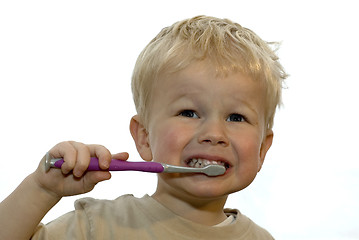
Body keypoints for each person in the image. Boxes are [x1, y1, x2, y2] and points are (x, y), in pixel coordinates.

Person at [0, 15, 287, 239]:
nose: (214, 134)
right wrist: (41, 190)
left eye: (236, 118)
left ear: (262, 149)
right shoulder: (96, 226)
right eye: (189, 112)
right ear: (144, 137)